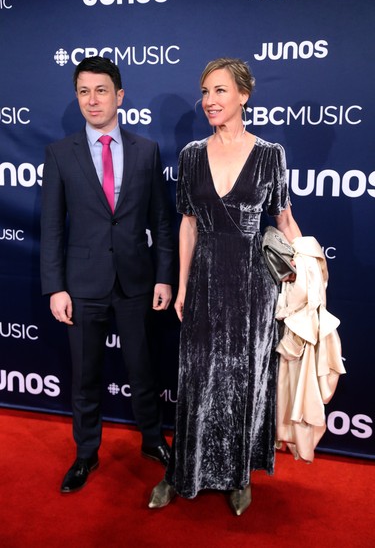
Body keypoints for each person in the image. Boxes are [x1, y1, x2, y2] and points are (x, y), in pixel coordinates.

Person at [148, 57, 302, 515]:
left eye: (219, 91)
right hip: (206, 282)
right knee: (197, 379)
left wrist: (306, 272)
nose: (209, 101)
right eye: (205, 92)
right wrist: (181, 287)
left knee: (244, 380)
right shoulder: (192, 154)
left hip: (255, 287)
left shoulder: (271, 153)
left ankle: (239, 476)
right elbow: (188, 227)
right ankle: (181, 472)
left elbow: (285, 220)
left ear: (243, 95)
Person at [40, 56, 174, 493]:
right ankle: (85, 454)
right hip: (81, 286)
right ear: (76, 97)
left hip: (136, 280)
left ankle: (153, 441)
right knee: (86, 375)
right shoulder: (60, 154)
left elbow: (163, 220)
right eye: (83, 91)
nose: (92, 100)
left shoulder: (146, 151)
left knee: (143, 369)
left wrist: (164, 276)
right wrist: (55, 287)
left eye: (101, 90)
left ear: (119, 95)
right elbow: (53, 228)